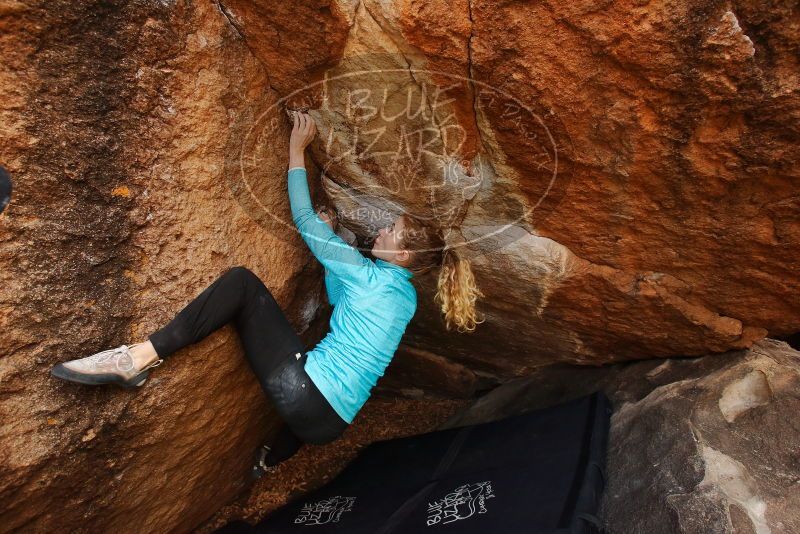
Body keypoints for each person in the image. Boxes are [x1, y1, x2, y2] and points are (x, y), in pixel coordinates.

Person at [50, 111, 482, 477]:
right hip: (332, 425)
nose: (384, 230)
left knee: (241, 283)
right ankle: (269, 462)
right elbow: (341, 301)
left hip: (304, 394)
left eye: (393, 231)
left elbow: (302, 219)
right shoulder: (404, 298)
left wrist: (297, 149)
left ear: (403, 253)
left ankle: (136, 358)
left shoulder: (367, 277)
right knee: (321, 373)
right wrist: (338, 246)